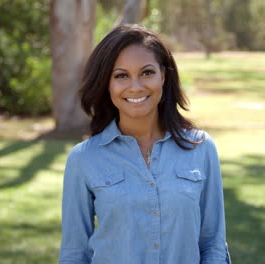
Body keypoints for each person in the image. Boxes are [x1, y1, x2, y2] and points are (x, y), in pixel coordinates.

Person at [58, 24, 231, 264]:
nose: (136, 86)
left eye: (147, 72)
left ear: (164, 75)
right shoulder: (83, 159)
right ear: (107, 84)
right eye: (121, 75)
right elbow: (74, 255)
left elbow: (213, 245)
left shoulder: (201, 148)